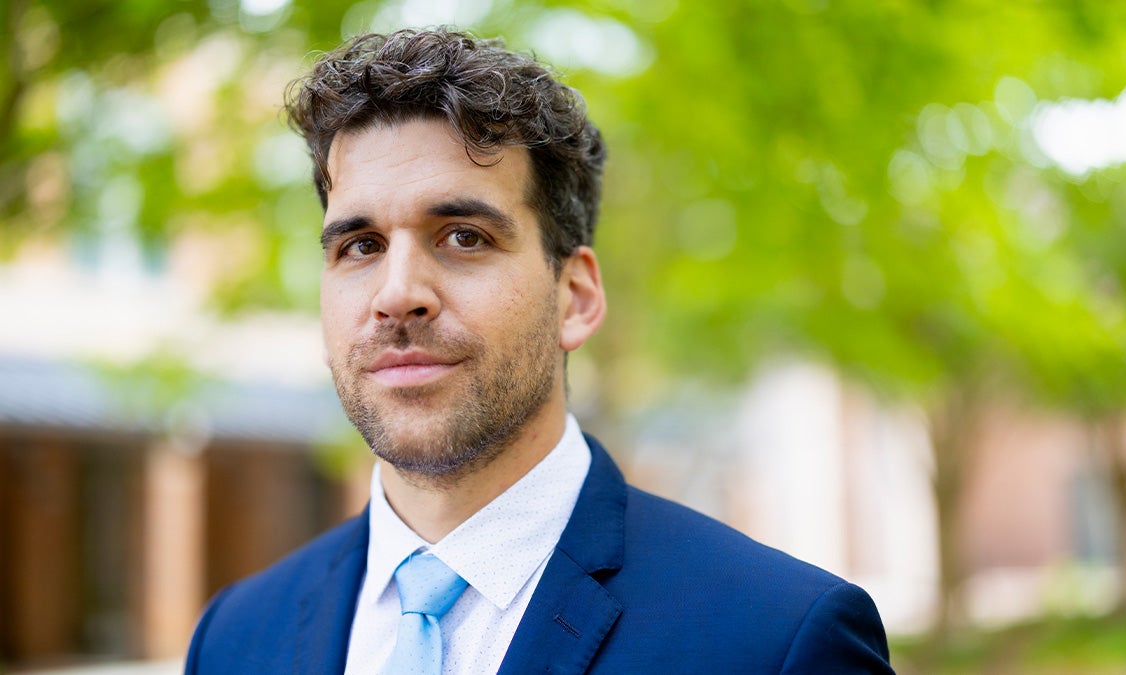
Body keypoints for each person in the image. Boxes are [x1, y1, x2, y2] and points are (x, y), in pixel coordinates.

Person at [185, 28, 893, 674]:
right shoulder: (234, 638)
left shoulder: (778, 640)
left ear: (576, 295)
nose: (396, 294)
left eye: (463, 235)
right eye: (360, 246)